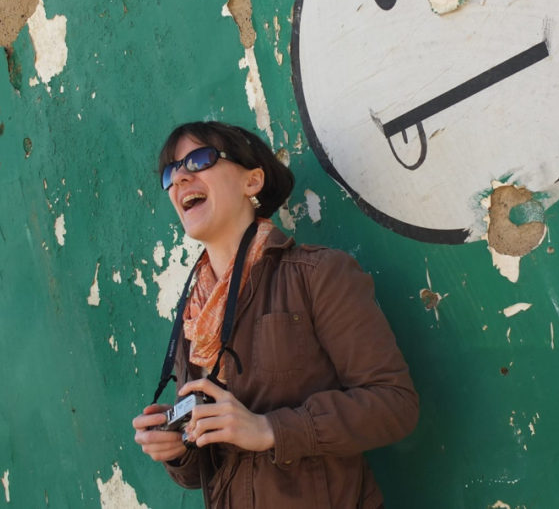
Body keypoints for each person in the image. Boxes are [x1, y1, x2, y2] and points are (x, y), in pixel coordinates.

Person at [132, 121, 418, 508]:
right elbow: (208, 471)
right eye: (171, 171)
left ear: (252, 182)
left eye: (198, 160)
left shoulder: (319, 275)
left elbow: (394, 404)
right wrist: (179, 444)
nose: (180, 177)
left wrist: (269, 429)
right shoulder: (193, 316)